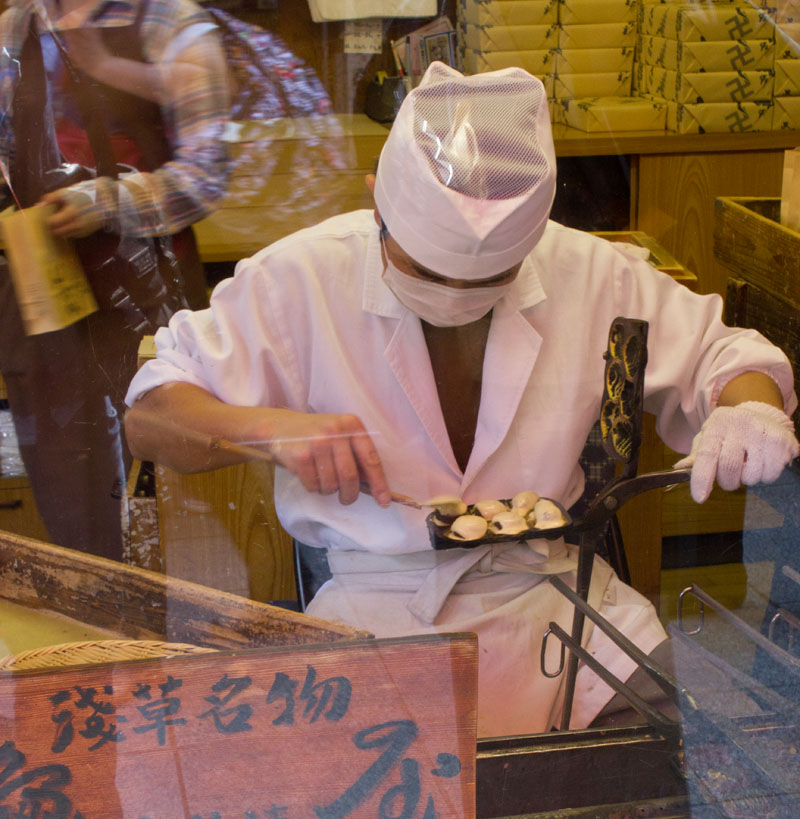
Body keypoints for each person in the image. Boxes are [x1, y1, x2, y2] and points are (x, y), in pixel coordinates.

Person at [123, 63, 799, 738]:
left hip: (554, 595)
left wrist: (749, 407)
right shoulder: (303, 277)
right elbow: (154, 413)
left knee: (659, 772)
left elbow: (725, 354)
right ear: (376, 204)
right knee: (374, 802)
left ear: (532, 240)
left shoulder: (585, 271)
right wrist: (269, 432)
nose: (455, 298)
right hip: (375, 600)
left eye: (488, 282)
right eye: (425, 270)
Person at [0, 0, 230, 560]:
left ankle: (178, 637)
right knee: (74, 509)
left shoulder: (172, 23)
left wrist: (105, 203)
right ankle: (95, 641)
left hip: (150, 303)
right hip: (44, 304)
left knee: (175, 504)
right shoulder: (17, 26)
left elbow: (207, 174)